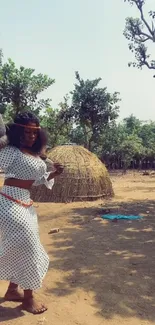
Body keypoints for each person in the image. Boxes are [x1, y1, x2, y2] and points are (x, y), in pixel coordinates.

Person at [0, 111, 63, 314]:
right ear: (17, 132)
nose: (30, 136)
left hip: (25, 202)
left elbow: (34, 180)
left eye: (34, 132)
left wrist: (53, 173)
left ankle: (12, 290)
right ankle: (28, 299)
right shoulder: (11, 150)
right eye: (26, 132)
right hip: (9, 202)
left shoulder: (34, 154)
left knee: (23, 247)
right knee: (30, 248)